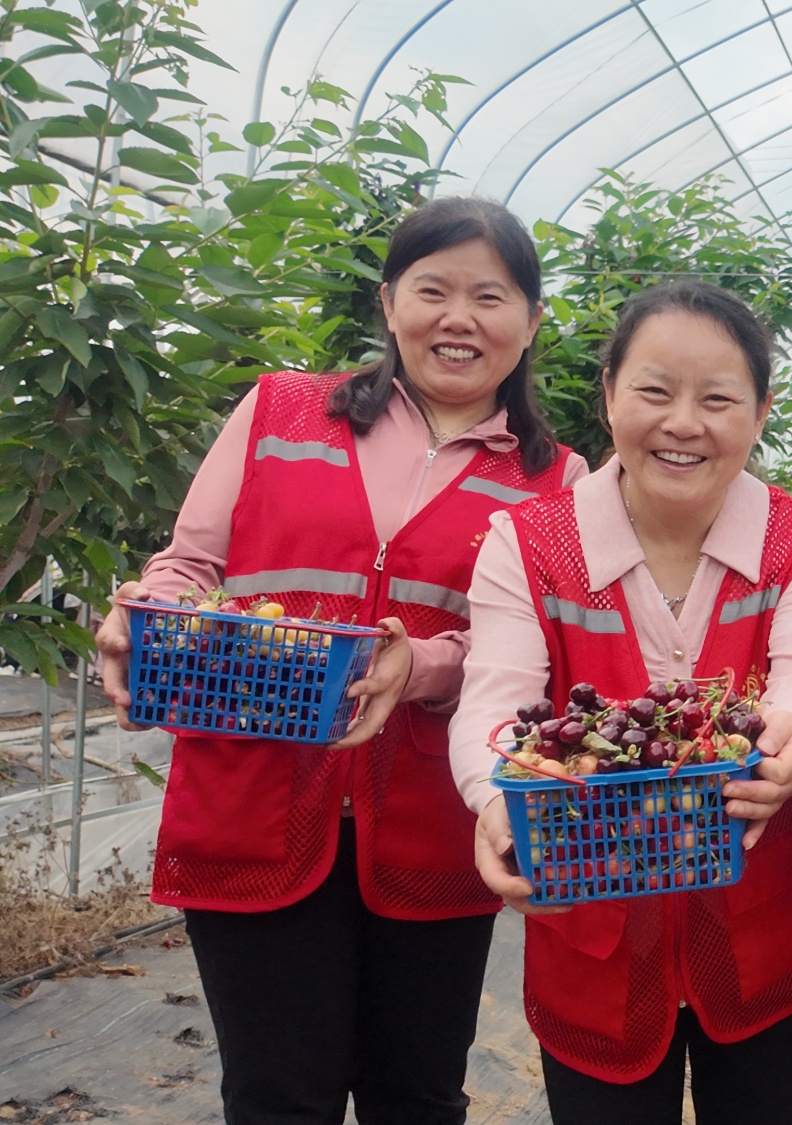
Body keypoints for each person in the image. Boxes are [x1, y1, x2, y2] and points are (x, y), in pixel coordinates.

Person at [93, 196, 584, 1123]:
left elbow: (539, 657)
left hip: (432, 821)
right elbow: (189, 565)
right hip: (252, 792)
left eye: (490, 297)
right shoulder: (281, 410)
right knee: (278, 1096)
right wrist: (145, 615)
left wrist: (422, 665)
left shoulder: (555, 482)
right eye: (432, 290)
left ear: (530, 321)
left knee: (417, 1095)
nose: (459, 318)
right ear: (389, 302)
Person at [449, 279, 792, 1124]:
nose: (683, 423)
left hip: (761, 931)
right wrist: (494, 799)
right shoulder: (528, 543)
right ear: (609, 394)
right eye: (655, 391)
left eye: (718, 399)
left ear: (761, 411)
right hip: (591, 936)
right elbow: (494, 703)